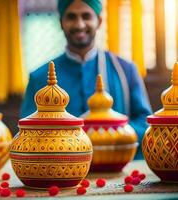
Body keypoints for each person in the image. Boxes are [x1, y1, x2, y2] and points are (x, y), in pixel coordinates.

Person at [20, 0, 152, 158]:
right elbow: (26, 132)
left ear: (99, 21)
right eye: (71, 17)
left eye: (86, 16)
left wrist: (108, 135)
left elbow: (144, 123)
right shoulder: (39, 77)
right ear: (61, 23)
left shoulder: (125, 70)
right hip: (61, 173)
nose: (79, 24)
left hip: (119, 169)